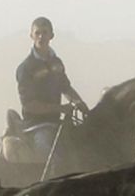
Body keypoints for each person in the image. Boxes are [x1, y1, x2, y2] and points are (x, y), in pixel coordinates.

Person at [16, 17, 89, 163]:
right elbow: (29, 105)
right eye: (37, 33)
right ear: (31, 35)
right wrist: (60, 109)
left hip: (57, 123)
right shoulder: (26, 68)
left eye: (44, 32)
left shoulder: (57, 63)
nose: (41, 37)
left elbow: (66, 88)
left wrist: (80, 103)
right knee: (51, 158)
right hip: (37, 126)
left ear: (52, 36)